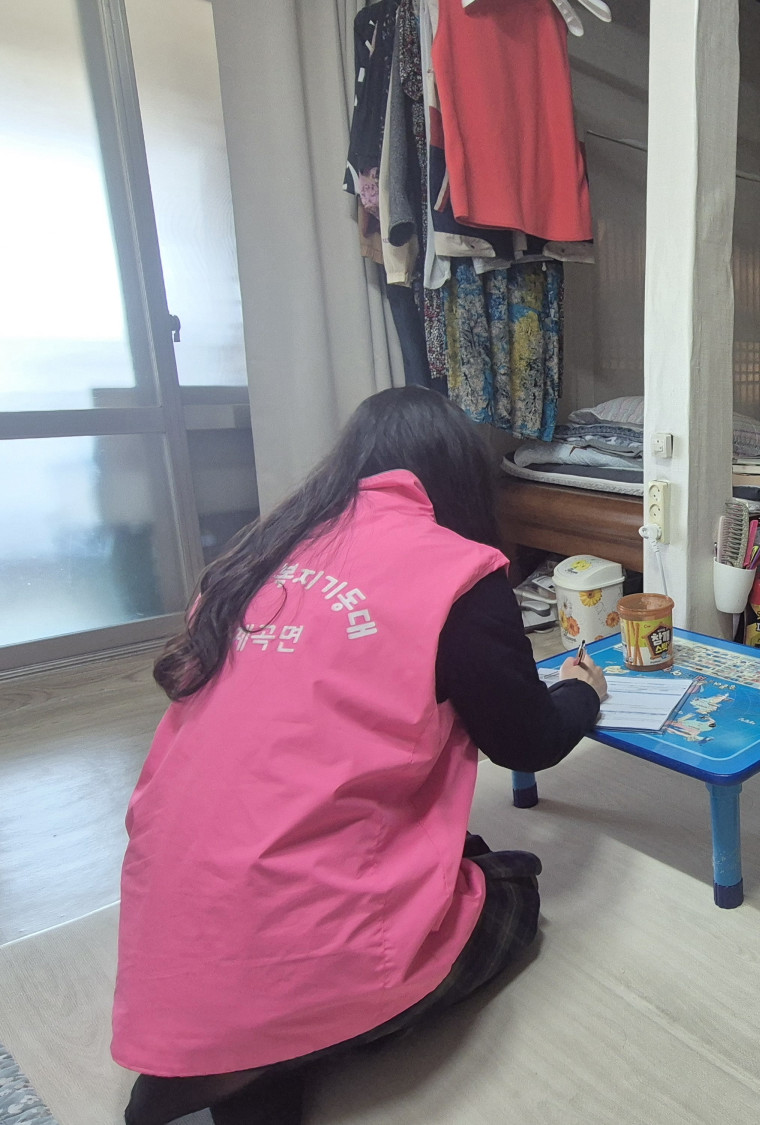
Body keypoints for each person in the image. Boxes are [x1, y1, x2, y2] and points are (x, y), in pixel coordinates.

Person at [113, 387, 607, 1124]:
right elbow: (526, 740)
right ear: (461, 475)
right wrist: (582, 691)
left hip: (171, 920)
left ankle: (231, 1054)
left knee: (445, 855)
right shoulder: (457, 571)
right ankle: (272, 1051)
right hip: (294, 911)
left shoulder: (261, 552)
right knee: (514, 889)